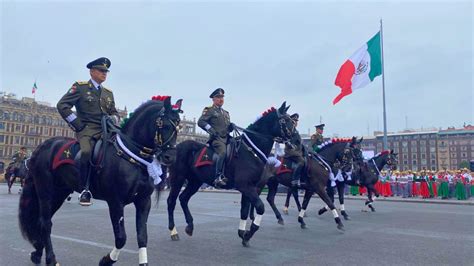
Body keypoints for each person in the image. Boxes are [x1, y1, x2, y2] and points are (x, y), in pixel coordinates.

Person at [57, 57, 120, 206]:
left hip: (107, 129)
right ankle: (84, 188)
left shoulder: (108, 93)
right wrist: (78, 125)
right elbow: (62, 105)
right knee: (86, 152)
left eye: (106, 71)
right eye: (101, 70)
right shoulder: (80, 87)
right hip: (87, 130)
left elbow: (115, 112)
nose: (104, 73)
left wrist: (114, 119)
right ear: (92, 72)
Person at [197, 88, 233, 188]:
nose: (221, 99)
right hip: (217, 139)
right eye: (218, 97)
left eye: (222, 97)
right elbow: (201, 122)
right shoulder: (209, 110)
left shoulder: (226, 113)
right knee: (223, 152)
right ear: (213, 99)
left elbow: (226, 128)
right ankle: (218, 177)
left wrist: (231, 127)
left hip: (227, 138)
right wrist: (211, 129)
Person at [283, 113, 305, 188]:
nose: (295, 122)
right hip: (291, 152)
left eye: (296, 121)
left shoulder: (296, 131)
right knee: (301, 161)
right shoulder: (289, 130)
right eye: (294, 121)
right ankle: (295, 180)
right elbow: (286, 140)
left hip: (298, 152)